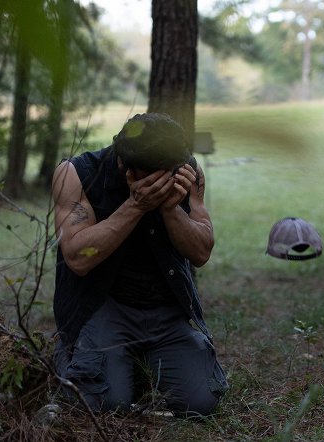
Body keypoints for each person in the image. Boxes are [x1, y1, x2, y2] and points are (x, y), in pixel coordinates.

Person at [51, 113, 228, 417]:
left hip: (165, 311)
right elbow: (77, 258)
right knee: (104, 404)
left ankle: (136, 366)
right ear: (124, 165)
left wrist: (170, 209)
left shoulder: (188, 172)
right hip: (103, 307)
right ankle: (75, 355)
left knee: (201, 403)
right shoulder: (75, 173)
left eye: (167, 174)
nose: (162, 181)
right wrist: (136, 206)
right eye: (152, 176)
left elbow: (201, 252)